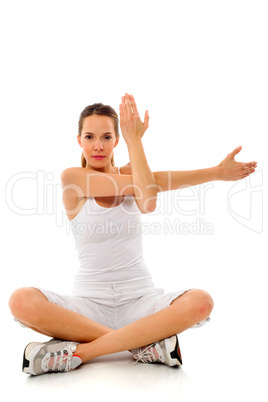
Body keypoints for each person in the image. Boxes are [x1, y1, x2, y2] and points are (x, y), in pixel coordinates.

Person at [9, 93, 257, 375]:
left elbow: (149, 199)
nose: (98, 146)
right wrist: (144, 170)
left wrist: (138, 142)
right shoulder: (72, 179)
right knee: (20, 300)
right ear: (79, 140)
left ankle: (83, 351)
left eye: (107, 137)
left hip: (140, 301)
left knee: (201, 302)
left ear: (117, 140)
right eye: (89, 137)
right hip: (89, 304)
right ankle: (140, 346)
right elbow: (149, 187)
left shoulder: (134, 173)